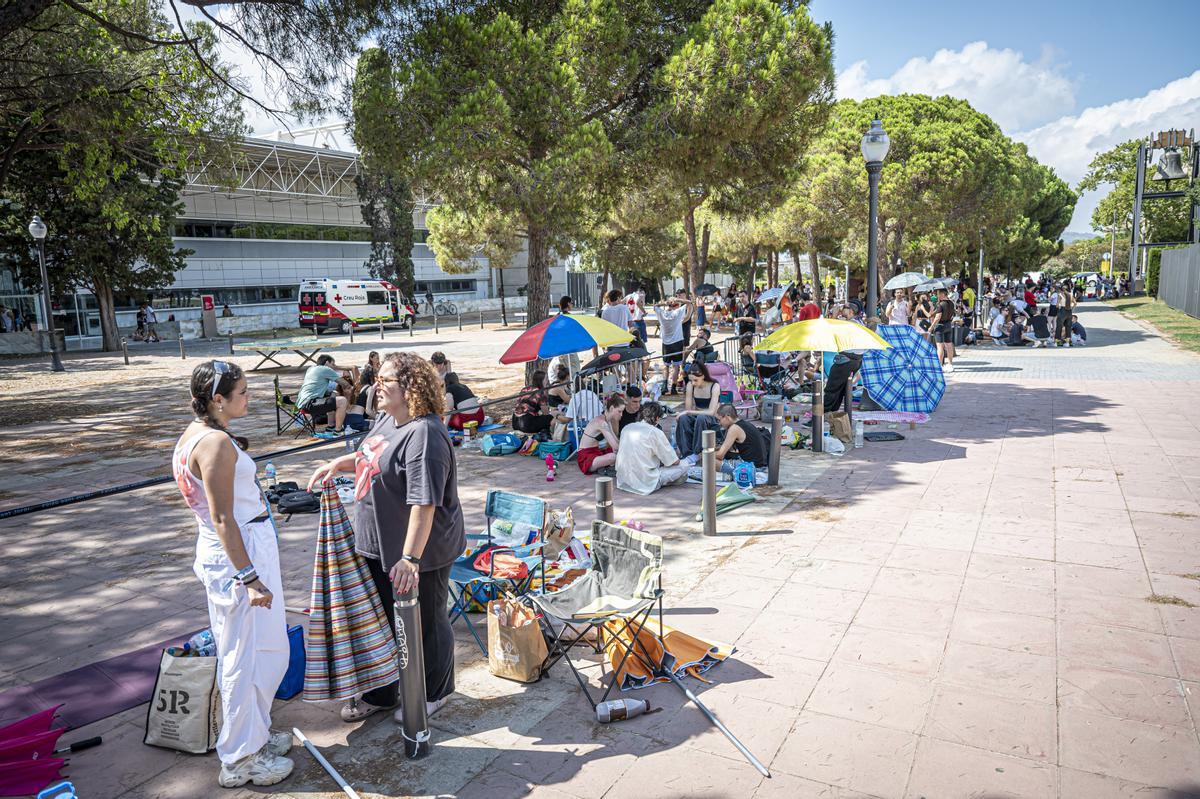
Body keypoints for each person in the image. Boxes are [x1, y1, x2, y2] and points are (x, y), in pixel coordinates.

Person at [307, 353, 463, 726]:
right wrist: (336, 465)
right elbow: (368, 457)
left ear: (411, 388)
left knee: (426, 621)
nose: (377, 385)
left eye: (387, 380)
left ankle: (434, 692)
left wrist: (410, 558)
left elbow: (424, 503)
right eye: (378, 378)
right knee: (378, 620)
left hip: (420, 548)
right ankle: (383, 689)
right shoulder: (386, 419)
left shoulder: (424, 433)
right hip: (377, 541)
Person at [172, 361, 294, 788]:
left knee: (264, 649)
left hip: (237, 551)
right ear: (217, 399)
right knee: (244, 656)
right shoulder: (215, 444)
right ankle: (240, 757)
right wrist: (250, 577)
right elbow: (223, 517)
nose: (249, 398)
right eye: (242, 392)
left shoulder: (198, 436)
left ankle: (253, 736)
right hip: (237, 557)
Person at [616, 402, 687, 495]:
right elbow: (675, 461)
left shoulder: (627, 427)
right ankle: (664, 482)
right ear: (657, 418)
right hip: (646, 482)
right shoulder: (655, 432)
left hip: (623, 481)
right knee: (685, 464)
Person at [674, 361, 721, 459]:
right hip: (698, 416)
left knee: (701, 417)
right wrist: (685, 413)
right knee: (683, 419)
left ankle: (697, 452)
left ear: (703, 376)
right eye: (691, 380)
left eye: (696, 380)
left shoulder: (715, 386)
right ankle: (686, 453)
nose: (693, 383)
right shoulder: (690, 385)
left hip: (712, 419)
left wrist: (688, 412)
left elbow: (711, 412)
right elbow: (688, 410)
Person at [298, 354, 350, 432]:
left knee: (333, 394)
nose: (334, 367)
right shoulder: (325, 369)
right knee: (342, 401)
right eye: (333, 364)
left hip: (302, 403)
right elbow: (345, 384)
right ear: (326, 363)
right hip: (309, 404)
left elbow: (316, 386)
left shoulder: (311, 368)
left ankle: (330, 426)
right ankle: (338, 431)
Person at [574, 394, 624, 475]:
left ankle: (604, 467)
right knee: (613, 456)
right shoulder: (601, 423)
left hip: (596, 452)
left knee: (614, 453)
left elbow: (615, 440)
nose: (621, 415)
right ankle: (605, 467)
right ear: (611, 408)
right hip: (586, 457)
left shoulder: (606, 421)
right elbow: (615, 446)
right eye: (619, 411)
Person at [713, 404, 769, 471]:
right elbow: (728, 448)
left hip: (753, 469)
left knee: (710, 461)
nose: (719, 423)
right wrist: (714, 449)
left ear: (727, 417)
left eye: (719, 420)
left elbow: (720, 455)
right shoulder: (743, 424)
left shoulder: (734, 428)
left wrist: (706, 455)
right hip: (759, 465)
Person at [655, 294, 692, 393]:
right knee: (676, 366)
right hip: (677, 342)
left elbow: (655, 306)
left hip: (666, 343)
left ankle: (665, 385)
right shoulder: (678, 313)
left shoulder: (662, 313)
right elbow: (689, 303)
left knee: (666, 365)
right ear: (676, 306)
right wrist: (678, 299)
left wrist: (665, 303)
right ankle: (674, 387)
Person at [513, 370, 553, 435]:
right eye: (546, 379)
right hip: (526, 425)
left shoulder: (525, 389)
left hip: (515, 422)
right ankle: (548, 435)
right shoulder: (540, 392)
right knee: (550, 417)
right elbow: (546, 413)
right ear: (541, 381)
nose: (547, 381)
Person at [929, 288, 957, 372]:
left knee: (940, 347)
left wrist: (932, 326)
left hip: (940, 326)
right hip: (948, 325)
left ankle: (940, 365)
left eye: (938, 294)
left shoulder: (941, 304)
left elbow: (938, 317)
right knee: (949, 345)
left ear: (942, 294)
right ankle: (950, 364)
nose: (937, 296)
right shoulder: (951, 303)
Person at [344, 365, 378, 431]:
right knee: (379, 423)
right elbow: (368, 411)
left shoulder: (360, 387)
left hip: (347, 420)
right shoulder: (370, 389)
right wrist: (379, 418)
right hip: (357, 421)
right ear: (373, 377)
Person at [1056, 281, 1075, 346]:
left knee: (1059, 326)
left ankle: (1058, 340)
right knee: (1068, 326)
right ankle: (1068, 340)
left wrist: (1058, 308)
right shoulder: (1071, 294)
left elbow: (1057, 305)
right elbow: (1075, 303)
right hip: (1069, 311)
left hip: (1062, 310)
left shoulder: (1060, 295)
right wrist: (1071, 309)